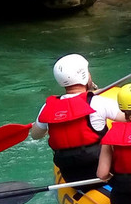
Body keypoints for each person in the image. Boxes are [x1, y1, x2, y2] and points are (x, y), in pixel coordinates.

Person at [30, 54, 124, 183]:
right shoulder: (99, 102)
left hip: (71, 177)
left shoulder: (48, 107)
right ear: (84, 75)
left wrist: (47, 126)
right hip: (105, 173)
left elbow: (35, 135)